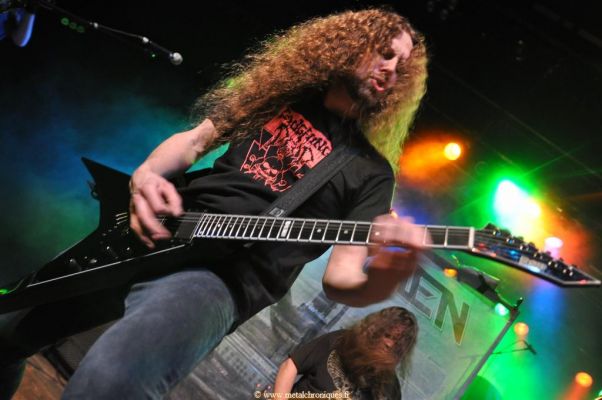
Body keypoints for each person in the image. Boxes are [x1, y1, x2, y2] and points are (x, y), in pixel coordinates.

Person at [0, 8, 428, 399]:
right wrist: (146, 174)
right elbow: (193, 142)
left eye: (402, 66)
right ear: (351, 44)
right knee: (6, 332)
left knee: (108, 384)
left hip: (220, 282)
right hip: (160, 229)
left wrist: (386, 276)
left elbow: (341, 277)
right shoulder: (282, 94)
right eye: (385, 53)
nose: (391, 69)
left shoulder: (371, 173)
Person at [273, 306, 418, 399]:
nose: (389, 344)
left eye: (397, 343)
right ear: (376, 330)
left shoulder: (390, 388)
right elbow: (291, 366)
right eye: (388, 335)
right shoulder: (341, 340)